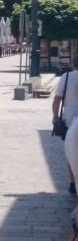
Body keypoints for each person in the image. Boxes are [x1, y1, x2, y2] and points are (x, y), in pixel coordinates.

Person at [53, 54, 78, 194]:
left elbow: (57, 99)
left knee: (70, 150)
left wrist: (55, 117)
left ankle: (72, 182)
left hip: (69, 118)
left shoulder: (66, 77)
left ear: (73, 64)